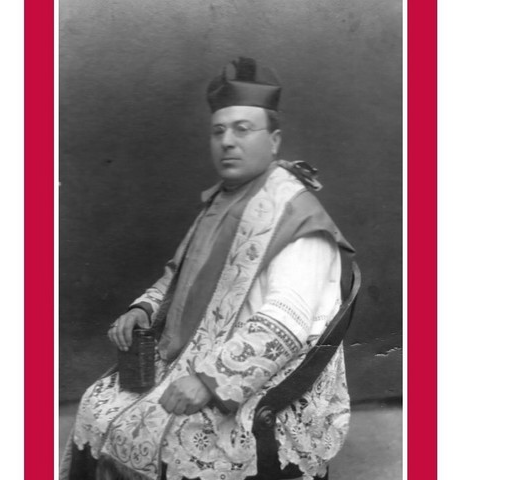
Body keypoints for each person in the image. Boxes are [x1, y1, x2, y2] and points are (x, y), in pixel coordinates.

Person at [61, 57, 355, 480]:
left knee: (172, 435)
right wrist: (144, 309)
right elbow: (179, 277)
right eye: (218, 131)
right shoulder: (224, 200)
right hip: (195, 356)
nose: (227, 142)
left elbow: (285, 323)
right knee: (97, 404)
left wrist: (210, 381)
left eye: (242, 129)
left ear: (274, 141)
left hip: (266, 378)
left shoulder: (297, 216)